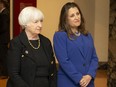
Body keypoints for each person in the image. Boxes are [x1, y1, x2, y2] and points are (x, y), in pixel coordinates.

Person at [7, 6, 57, 87]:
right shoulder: (16, 43)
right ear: (25, 23)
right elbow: (13, 74)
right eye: (36, 22)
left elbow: (53, 70)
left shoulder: (46, 42)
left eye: (41, 21)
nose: (40, 25)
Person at [53, 2, 98, 87]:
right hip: (69, 82)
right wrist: (79, 78)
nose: (77, 17)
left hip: (88, 82)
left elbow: (94, 58)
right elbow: (64, 61)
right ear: (65, 19)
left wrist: (89, 75)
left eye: (78, 14)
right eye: (72, 15)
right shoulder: (60, 36)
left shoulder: (87, 35)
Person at [0, 0, 10, 79]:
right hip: (3, 39)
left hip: (2, 39)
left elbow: (3, 27)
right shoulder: (3, 13)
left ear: (2, 4)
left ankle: (5, 73)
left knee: (3, 57)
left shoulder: (4, 13)